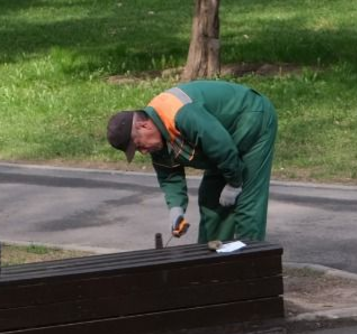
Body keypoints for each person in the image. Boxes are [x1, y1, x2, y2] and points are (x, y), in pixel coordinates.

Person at [106, 79, 277, 245]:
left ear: (143, 126)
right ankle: (213, 262)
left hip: (251, 117)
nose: (143, 151)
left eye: (138, 145)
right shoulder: (156, 136)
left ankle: (251, 265)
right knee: (211, 199)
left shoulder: (181, 114)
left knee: (247, 202)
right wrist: (176, 209)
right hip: (221, 143)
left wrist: (234, 183)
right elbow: (169, 176)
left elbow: (220, 145)